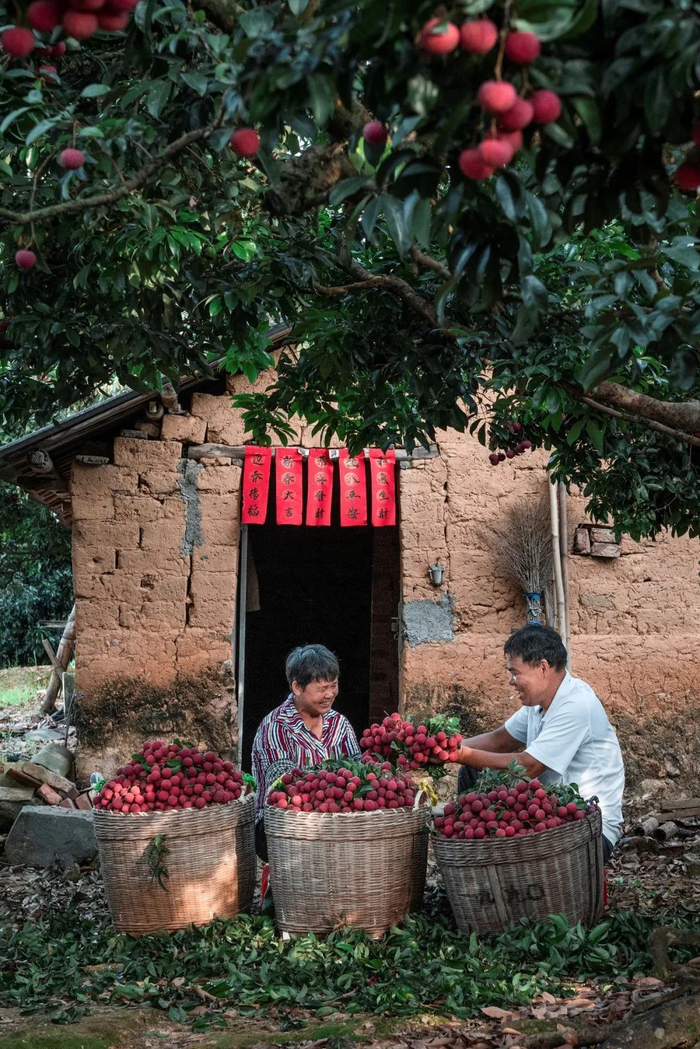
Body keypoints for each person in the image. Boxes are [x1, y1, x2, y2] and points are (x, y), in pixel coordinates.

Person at [453, 625, 624, 863]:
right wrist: (447, 747)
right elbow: (499, 740)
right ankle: (476, 862)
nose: (511, 681)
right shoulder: (538, 704)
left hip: (586, 828)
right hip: (546, 813)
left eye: (515, 673)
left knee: (472, 764)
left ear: (543, 667)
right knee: (471, 771)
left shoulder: (576, 704)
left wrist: (460, 754)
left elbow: (530, 766)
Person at [251, 643, 360, 861]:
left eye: (334, 685)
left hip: (334, 819)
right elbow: (283, 792)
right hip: (282, 826)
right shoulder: (276, 726)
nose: (330, 694)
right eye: (321, 689)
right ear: (297, 688)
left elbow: (359, 773)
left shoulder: (340, 724)